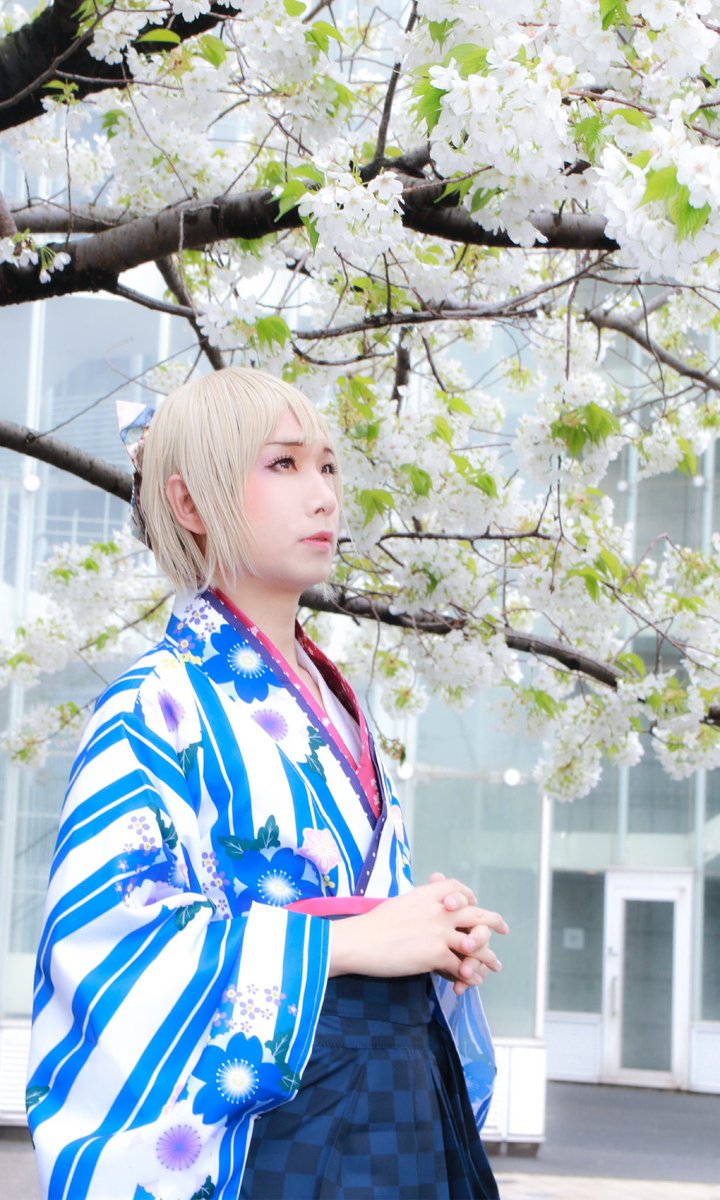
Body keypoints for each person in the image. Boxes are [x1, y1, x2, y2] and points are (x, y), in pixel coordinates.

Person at [27, 367, 507, 1200]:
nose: (323, 495)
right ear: (189, 503)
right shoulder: (153, 706)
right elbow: (110, 945)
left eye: (328, 465)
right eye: (283, 464)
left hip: (404, 1108)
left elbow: (366, 908)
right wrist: (347, 942)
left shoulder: (338, 706)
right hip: (285, 1131)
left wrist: (433, 935)